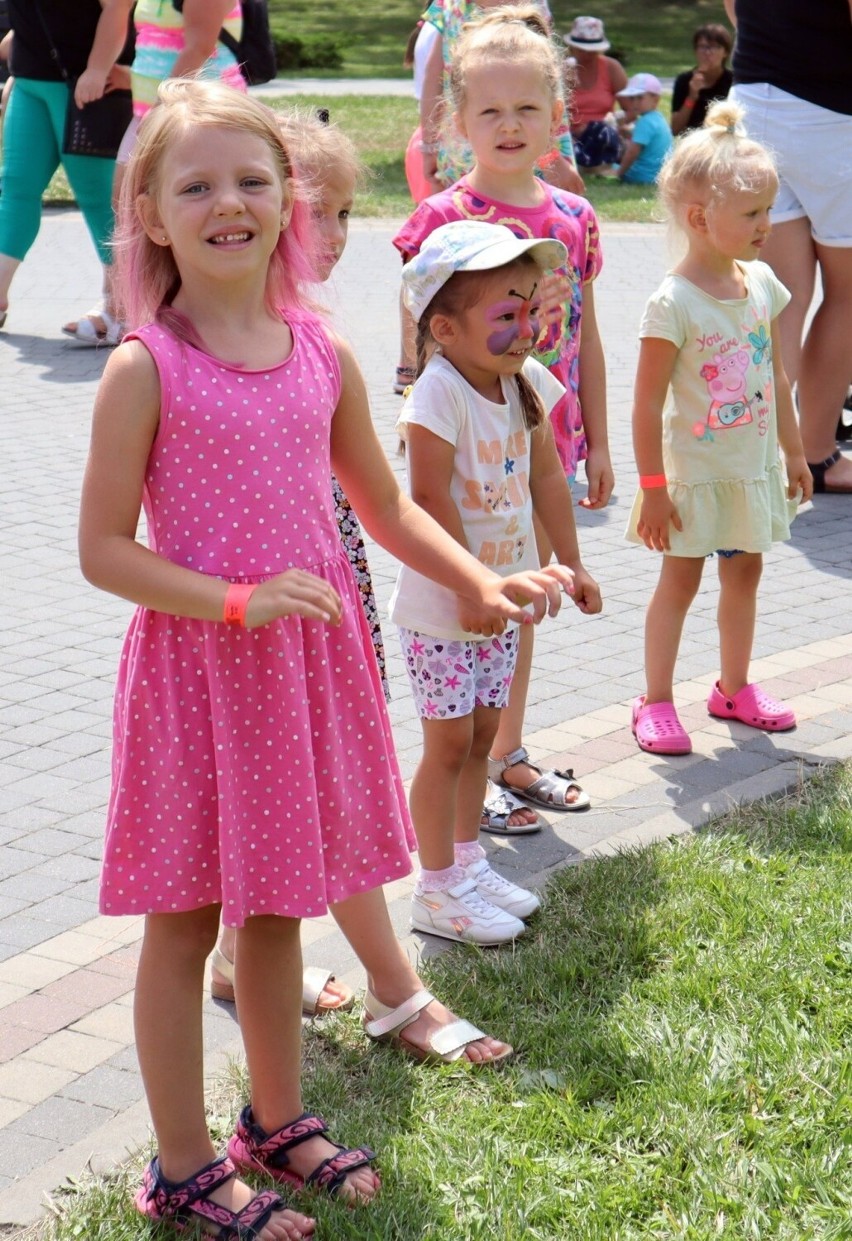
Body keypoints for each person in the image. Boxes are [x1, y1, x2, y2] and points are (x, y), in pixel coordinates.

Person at [78, 78, 572, 1235]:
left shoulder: (319, 349)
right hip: (202, 680)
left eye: (252, 179)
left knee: (278, 913)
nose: (229, 203)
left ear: (287, 200)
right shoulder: (145, 365)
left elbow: (388, 503)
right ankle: (186, 1162)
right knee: (187, 920)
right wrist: (234, 599)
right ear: (149, 212)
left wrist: (480, 577)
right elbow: (103, 551)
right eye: (193, 184)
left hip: (303, 672)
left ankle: (278, 1120)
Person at [394, 6, 613, 819]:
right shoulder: (445, 220)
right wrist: (413, 401)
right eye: (489, 110)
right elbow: (418, 332)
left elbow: (587, 335)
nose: (510, 125)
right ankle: (464, 769)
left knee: (523, 601)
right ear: (459, 120)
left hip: (541, 447)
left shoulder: (575, 219)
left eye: (528, 108)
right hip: (465, 449)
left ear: (558, 114)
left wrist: (596, 439)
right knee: (470, 596)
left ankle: (505, 754)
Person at [209, 108, 384, 1018]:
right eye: (327, 213)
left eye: (353, 215)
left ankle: (251, 952)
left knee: (315, 765)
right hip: (256, 598)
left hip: (326, 580)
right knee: (269, 776)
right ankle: (244, 952)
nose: (340, 237)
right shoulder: (209, 339)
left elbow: (376, 495)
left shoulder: (314, 335)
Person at [392, 221, 601, 943]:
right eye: (503, 316)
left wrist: (569, 562)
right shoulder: (438, 394)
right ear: (444, 328)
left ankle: (468, 862)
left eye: (525, 308)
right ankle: (436, 885)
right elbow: (427, 499)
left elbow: (548, 474)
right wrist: (469, 586)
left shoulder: (525, 384)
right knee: (447, 745)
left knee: (483, 736)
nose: (523, 328)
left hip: (502, 602)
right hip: (446, 606)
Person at [626, 101, 813, 756]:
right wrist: (652, 487)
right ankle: (652, 700)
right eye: (754, 213)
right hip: (692, 481)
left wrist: (794, 453)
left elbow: (776, 376)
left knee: (745, 575)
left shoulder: (760, 281)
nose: (768, 225)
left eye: (769, 209)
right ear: (700, 218)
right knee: (678, 583)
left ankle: (733, 687)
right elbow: (646, 405)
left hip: (747, 473)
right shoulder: (672, 302)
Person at [724, 0, 852, 495]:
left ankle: (747, 462)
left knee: (781, 298)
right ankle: (816, 455)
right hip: (833, 116)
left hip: (754, 102)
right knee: (847, 296)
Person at [64, 0, 244, 346]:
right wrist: (129, 77)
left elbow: (200, 48)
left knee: (181, 216)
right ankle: (123, 308)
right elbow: (152, 38)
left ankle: (173, 314)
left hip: (200, 120)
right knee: (129, 208)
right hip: (152, 114)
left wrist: (163, 116)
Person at [0, 0, 132, 334]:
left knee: (98, 196)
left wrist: (98, 68)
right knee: (16, 186)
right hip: (30, 81)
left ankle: (122, 306)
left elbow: (118, 6)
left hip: (83, 85)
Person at [562, 15, 626, 174]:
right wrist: (564, 83)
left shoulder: (611, 67)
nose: (587, 54)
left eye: (592, 50)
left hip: (603, 132)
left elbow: (631, 108)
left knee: (603, 132)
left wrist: (614, 122)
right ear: (572, 47)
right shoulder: (562, 68)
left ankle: (597, 164)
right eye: (582, 50)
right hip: (570, 133)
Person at [670, 23, 733, 136]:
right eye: (703, 47)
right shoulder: (685, 80)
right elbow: (675, 130)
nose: (707, 53)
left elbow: (735, 125)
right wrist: (692, 96)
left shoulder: (733, 82)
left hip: (722, 142)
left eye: (714, 47)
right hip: (693, 144)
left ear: (725, 52)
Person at [610, 73, 672, 185]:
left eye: (640, 98)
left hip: (643, 175)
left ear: (655, 99)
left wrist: (619, 172)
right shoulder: (658, 118)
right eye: (632, 98)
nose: (635, 103)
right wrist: (624, 129)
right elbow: (642, 139)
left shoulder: (645, 122)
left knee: (608, 166)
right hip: (660, 174)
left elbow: (632, 152)